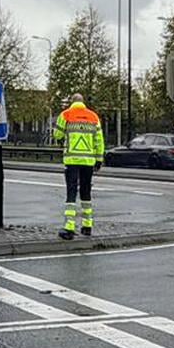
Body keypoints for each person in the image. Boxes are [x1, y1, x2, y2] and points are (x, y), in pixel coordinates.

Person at [51, 91, 105, 239]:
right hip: (88, 161)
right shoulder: (94, 117)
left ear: (71, 102)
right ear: (83, 102)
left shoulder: (66, 115)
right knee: (86, 192)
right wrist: (99, 159)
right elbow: (99, 140)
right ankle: (87, 225)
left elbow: (57, 135)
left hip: (72, 160)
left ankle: (69, 227)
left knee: (71, 192)